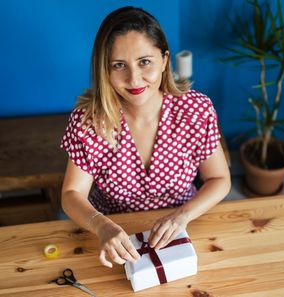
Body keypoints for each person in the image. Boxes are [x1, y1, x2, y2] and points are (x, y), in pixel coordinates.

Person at [60, 6, 230, 268]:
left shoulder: (196, 110)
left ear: (164, 60)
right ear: (104, 69)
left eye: (144, 62)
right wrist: (102, 227)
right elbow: (71, 193)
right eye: (119, 65)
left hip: (184, 225)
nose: (134, 79)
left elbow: (219, 179)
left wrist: (181, 217)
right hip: (112, 236)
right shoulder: (88, 122)